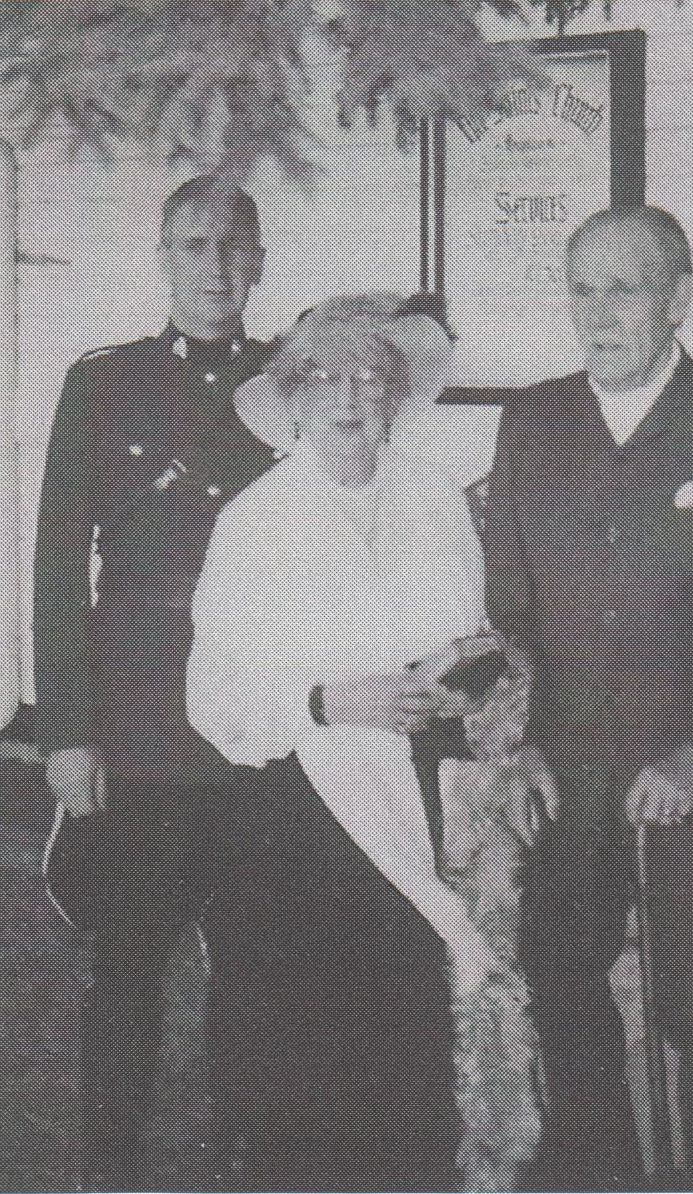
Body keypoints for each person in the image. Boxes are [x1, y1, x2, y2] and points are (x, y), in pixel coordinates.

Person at [482, 204, 693, 1190]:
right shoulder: (532, 420)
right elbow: (508, 611)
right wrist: (518, 742)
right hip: (565, 773)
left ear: (678, 299)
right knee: (561, 976)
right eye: (580, 288)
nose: (597, 313)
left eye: (621, 287)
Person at [188, 295, 542, 1193]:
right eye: (324, 376)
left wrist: (459, 685)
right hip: (307, 815)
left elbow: (478, 638)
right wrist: (329, 700)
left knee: (422, 1061)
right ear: (293, 397)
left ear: (393, 393)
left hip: (429, 803)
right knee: (319, 1082)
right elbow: (212, 698)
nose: (348, 396)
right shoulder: (255, 522)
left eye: (368, 376)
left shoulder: (432, 499)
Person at [34, 175, 277, 1191]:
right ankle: (109, 1168)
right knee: (129, 966)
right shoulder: (104, 383)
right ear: (164, 259)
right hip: (140, 726)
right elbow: (56, 564)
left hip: (263, 720)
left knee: (259, 965)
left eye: (232, 247)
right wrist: (67, 732)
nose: (215, 267)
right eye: (192, 246)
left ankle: (243, 1156)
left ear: (258, 261)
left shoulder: (295, 380)